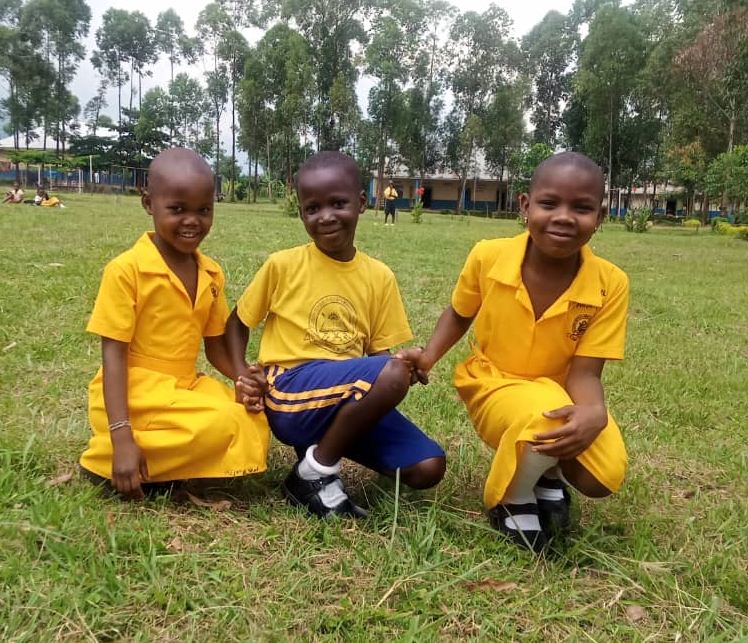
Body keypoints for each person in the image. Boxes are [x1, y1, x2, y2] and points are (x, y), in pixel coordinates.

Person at [399, 152, 629, 552]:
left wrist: (593, 412)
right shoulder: (489, 257)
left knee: (603, 474)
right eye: (549, 203)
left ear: (601, 216)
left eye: (582, 208)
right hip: (494, 383)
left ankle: (547, 473)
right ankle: (512, 495)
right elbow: (459, 313)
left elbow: (585, 373)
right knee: (543, 418)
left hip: (556, 396)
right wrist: (428, 355)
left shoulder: (610, 283)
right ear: (525, 206)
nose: (564, 217)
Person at [225, 151, 446, 518]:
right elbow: (237, 323)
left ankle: (315, 458)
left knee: (428, 467)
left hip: (345, 396)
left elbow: (380, 358)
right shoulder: (284, 265)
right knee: (390, 373)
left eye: (338, 203)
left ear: (361, 203)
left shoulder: (379, 276)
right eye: (312, 208)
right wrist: (241, 372)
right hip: (289, 390)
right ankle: (315, 472)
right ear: (301, 214)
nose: (326, 216)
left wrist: (406, 364)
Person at [80, 147, 270, 499]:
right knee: (218, 424)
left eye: (204, 210)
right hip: (134, 392)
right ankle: (113, 456)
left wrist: (243, 377)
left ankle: (160, 467)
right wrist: (122, 432)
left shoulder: (210, 273)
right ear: (149, 203)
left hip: (184, 386)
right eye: (177, 209)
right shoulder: (127, 271)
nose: (192, 221)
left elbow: (214, 347)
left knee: (250, 417)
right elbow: (113, 357)